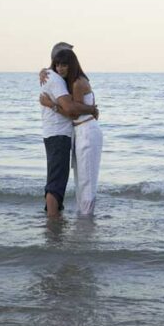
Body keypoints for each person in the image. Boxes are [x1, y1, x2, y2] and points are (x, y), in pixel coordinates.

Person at [40, 48, 103, 216]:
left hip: (87, 130)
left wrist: (50, 104)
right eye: (57, 65)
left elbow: (72, 111)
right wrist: (44, 71)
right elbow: (73, 109)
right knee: (81, 179)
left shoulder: (77, 83)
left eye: (64, 65)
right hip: (79, 131)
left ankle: (87, 219)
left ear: (72, 65)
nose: (60, 69)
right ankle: (84, 217)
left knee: (86, 179)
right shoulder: (67, 81)